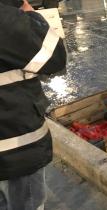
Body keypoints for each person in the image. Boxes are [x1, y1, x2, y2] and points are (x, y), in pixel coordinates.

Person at [0, 1, 67, 210]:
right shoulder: (6, 19)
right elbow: (54, 57)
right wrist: (31, 15)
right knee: (28, 202)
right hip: (16, 146)